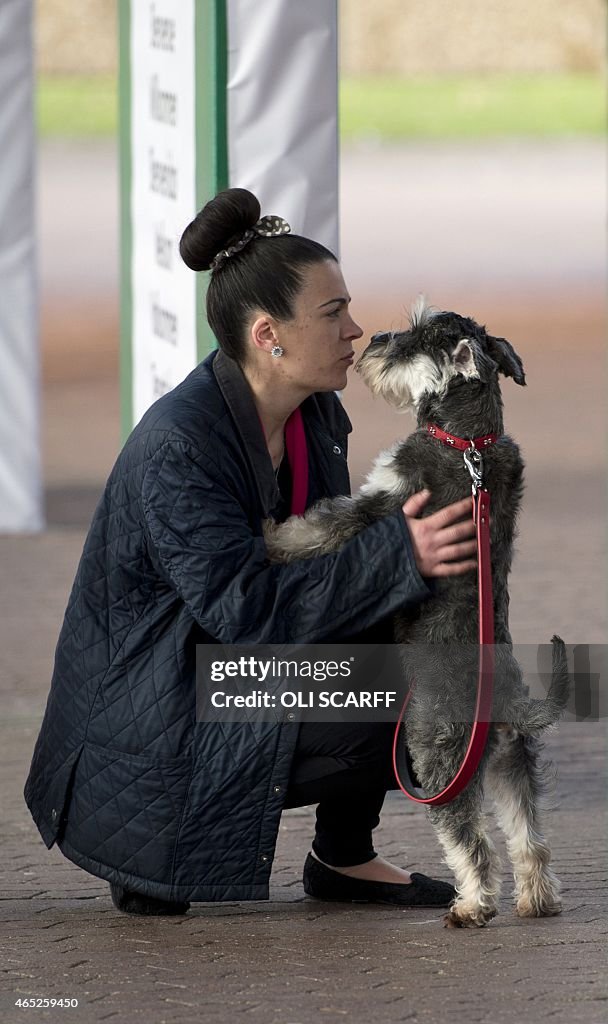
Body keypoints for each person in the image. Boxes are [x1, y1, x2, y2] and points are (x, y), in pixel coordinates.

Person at [24, 188, 478, 915]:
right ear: (268, 335)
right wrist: (398, 557)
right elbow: (248, 610)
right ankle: (151, 844)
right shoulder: (181, 444)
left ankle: (344, 857)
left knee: (443, 659)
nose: (355, 330)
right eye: (333, 314)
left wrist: (411, 549)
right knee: (409, 683)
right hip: (158, 704)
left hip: (229, 664)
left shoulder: (316, 409)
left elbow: (328, 560)